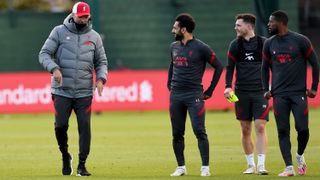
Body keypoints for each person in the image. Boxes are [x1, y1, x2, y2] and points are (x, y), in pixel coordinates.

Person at [39, 1, 108, 176]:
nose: (84, 19)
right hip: (61, 90)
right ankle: (65, 155)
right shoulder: (58, 32)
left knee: (84, 127)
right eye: (81, 16)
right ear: (73, 15)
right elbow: (44, 54)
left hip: (84, 92)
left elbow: (101, 62)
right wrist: (54, 68)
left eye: (86, 16)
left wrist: (101, 79)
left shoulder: (94, 37)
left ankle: (82, 165)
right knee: (60, 126)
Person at [262, 10, 319, 176]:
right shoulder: (269, 43)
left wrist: (314, 87)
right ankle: (288, 167)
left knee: (302, 129)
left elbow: (315, 64)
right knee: (282, 130)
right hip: (279, 95)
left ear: (280, 22)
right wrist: (266, 89)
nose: (268, 24)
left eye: (271, 22)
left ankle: (300, 155)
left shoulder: (301, 41)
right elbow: (264, 68)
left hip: (298, 93)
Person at [167, 13, 223, 177]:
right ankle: (181, 167)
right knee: (177, 133)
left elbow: (218, 67)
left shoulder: (201, 48)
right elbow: (172, 64)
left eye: (175, 28)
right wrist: (169, 82)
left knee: (199, 131)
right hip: (176, 95)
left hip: (194, 96)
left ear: (184, 30)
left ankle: (205, 167)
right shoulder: (173, 47)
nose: (173, 30)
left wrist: (210, 90)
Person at [224, 13, 269, 175]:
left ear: (249, 26)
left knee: (260, 127)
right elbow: (229, 68)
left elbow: (274, 67)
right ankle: (251, 165)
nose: (235, 28)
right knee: (245, 129)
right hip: (241, 92)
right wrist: (228, 86)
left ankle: (262, 165)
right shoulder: (235, 45)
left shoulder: (264, 44)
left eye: (238, 25)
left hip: (260, 92)